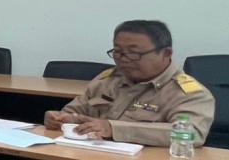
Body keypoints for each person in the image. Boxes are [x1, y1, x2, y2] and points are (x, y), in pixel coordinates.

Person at [44, 20, 215, 146]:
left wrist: (114, 129)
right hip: (92, 158)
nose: (123, 59)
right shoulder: (108, 80)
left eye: (134, 53)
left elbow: (190, 134)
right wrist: (59, 119)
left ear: (166, 53)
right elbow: (74, 111)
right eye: (118, 52)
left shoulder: (189, 93)